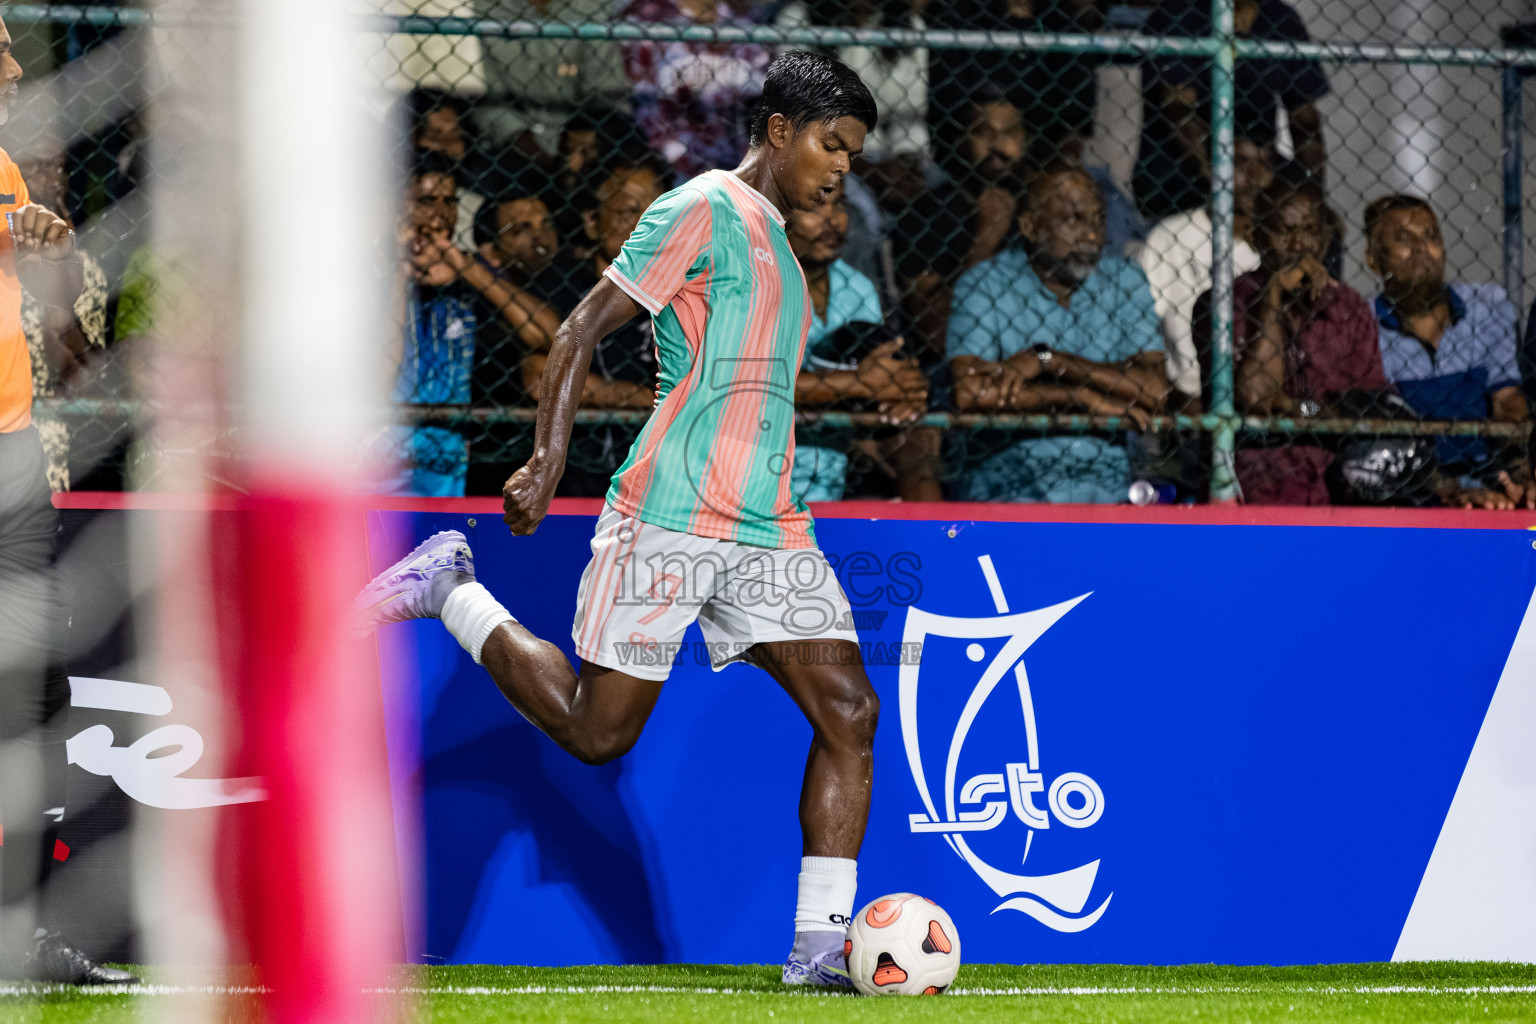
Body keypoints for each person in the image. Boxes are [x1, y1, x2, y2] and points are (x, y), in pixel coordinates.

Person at [357, 51, 880, 988]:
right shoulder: (700, 209)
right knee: (599, 735)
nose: (842, 167)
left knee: (850, 710)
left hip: (768, 528)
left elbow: (755, 379)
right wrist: (547, 460)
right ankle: (453, 592)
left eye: (853, 154)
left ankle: (818, 949)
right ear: (778, 133)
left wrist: (855, 384)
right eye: (831, 145)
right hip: (671, 517)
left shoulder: (787, 257)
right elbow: (578, 328)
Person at [0, 15, 137, 984]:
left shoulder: (6, 174)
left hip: (10, 461)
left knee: (35, 689)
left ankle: (24, 933)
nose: (12, 67)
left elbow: (67, 355)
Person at [949, 165, 1167, 503]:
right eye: (1073, 221)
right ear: (1030, 226)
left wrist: (1050, 361)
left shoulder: (1124, 280)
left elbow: (1153, 388)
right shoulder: (983, 284)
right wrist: (1080, 398)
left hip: (1107, 491)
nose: (1092, 237)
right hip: (1008, 491)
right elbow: (973, 392)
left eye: (1097, 221)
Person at [1194, 179, 1390, 505]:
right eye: (1284, 231)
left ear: (1326, 239)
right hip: (1252, 486)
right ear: (1256, 239)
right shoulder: (1222, 306)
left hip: (1335, 489)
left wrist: (1299, 407)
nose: (1299, 245)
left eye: (1310, 231)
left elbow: (1364, 404)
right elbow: (1255, 397)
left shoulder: (1348, 307)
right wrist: (1271, 299)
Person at [381, 152, 562, 496]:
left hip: (447, 481)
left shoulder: (465, 280)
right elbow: (380, 376)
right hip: (378, 477)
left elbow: (551, 336)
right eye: (426, 200)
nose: (440, 214)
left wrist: (465, 268)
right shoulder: (367, 280)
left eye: (449, 201)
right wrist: (399, 276)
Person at [1364, 194, 1535, 509]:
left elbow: (1507, 398)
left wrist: (1520, 468)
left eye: (1430, 236)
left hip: (1485, 474)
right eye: (1403, 239)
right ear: (1374, 260)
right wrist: (1442, 486)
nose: (1421, 248)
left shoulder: (1485, 307)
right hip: (1407, 486)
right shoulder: (1363, 326)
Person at [785, 179, 926, 501]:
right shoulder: (755, 284)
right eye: (816, 206)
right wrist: (860, 382)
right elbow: (749, 384)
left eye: (840, 205)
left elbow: (878, 375)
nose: (832, 219)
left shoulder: (857, 287)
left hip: (830, 475)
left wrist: (900, 389)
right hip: (756, 475)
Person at [1136, 0, 1329, 223]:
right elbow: (1179, 111)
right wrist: (1224, 177)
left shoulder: (1279, 17)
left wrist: (1314, 199)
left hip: (1258, 164)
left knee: (1314, 224)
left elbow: (1305, 120)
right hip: (1184, 168)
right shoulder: (1181, 12)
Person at [1136, 135, 1272, 406]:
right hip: (1186, 399)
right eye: (1242, 162)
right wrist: (1171, 396)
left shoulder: (1276, 246)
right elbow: (1139, 330)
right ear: (1210, 168)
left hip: (1259, 400)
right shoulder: (1171, 237)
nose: (1256, 176)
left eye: (1265, 163)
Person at [16, 153, 110, 492]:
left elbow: (82, 377)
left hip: (42, 444)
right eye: (35, 165)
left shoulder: (83, 268)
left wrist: (55, 299)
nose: (51, 178)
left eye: (57, 167)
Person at [619, 0, 771, 178]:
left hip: (743, 162)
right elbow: (646, 106)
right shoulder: (648, 16)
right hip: (678, 169)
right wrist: (677, 158)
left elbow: (764, 87)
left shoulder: (740, 15)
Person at [471, 0, 630, 157]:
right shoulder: (488, 6)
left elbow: (606, 92)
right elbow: (486, 94)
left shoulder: (590, 5)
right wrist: (521, 139)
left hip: (580, 134)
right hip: (508, 142)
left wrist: (584, 132)